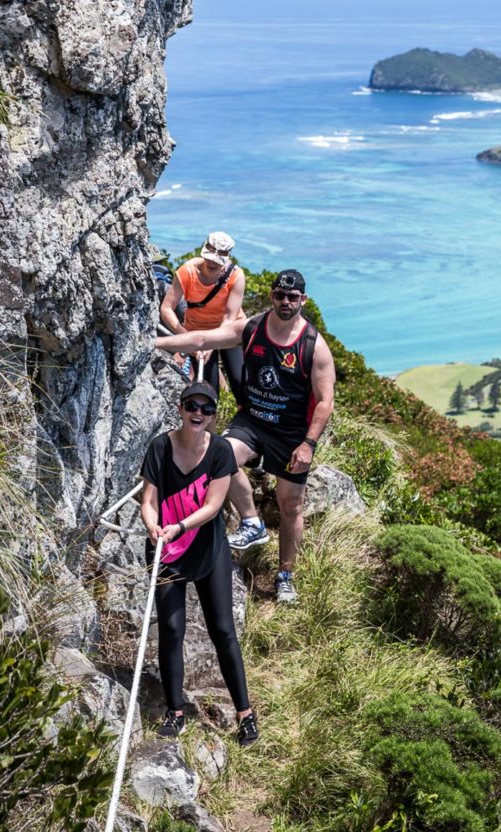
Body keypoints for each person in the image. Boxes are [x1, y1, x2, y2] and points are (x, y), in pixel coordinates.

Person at [156, 269, 336, 605]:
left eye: (293, 297)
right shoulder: (253, 328)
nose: (286, 302)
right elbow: (202, 340)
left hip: (292, 432)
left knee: (290, 505)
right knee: (220, 455)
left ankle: (285, 576)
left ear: (303, 300)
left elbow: (325, 401)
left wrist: (308, 444)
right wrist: (155, 343)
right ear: (272, 296)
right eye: (280, 296)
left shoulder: (313, 345)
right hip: (252, 421)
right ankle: (251, 522)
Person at [140, 379, 259, 745]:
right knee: (171, 629)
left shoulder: (220, 451)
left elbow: (213, 506)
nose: (199, 413)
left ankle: (245, 715)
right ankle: (175, 711)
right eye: (192, 405)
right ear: (180, 408)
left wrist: (177, 526)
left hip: (208, 549)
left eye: (207, 409)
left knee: (223, 630)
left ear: (213, 415)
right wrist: (152, 528)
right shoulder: (160, 447)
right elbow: (147, 500)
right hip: (166, 550)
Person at [159, 231, 246, 403]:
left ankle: (244, 424)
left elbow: (229, 318)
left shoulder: (236, 276)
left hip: (229, 330)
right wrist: (185, 336)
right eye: (210, 257)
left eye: (217, 259)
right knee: (208, 388)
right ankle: (209, 428)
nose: (212, 262)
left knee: (239, 381)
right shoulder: (187, 271)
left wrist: (212, 344)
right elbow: (167, 308)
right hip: (196, 329)